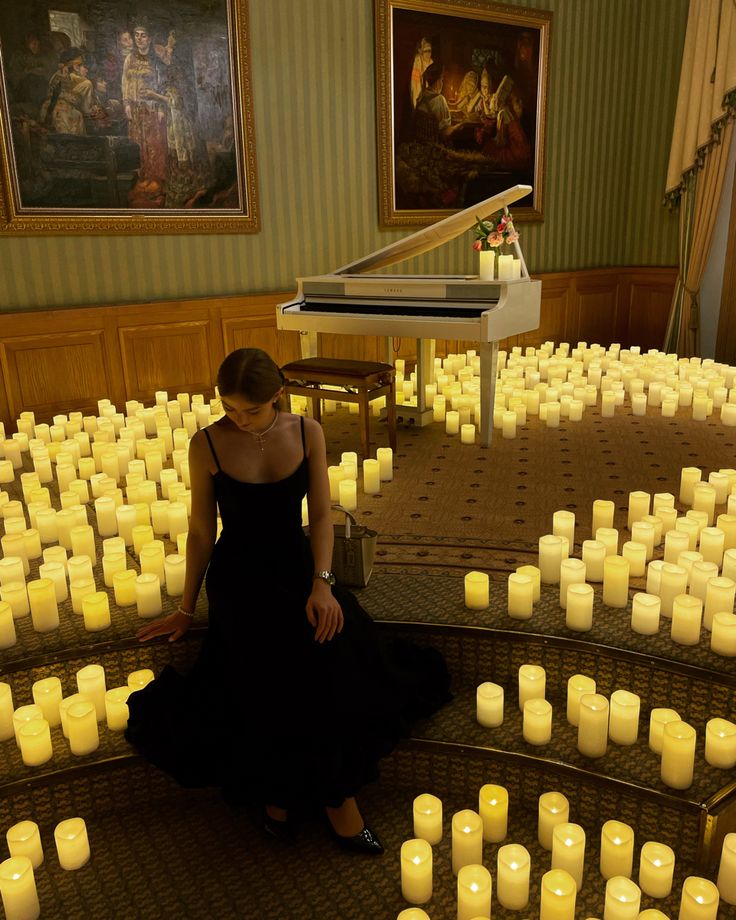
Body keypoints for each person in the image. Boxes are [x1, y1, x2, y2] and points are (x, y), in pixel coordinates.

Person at [125, 348, 452, 854]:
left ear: (276, 396)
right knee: (284, 659)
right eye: (229, 408)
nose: (238, 419)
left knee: (331, 644)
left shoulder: (306, 432)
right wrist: (187, 608)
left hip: (297, 567)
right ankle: (336, 802)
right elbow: (199, 532)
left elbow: (321, 516)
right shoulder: (206, 444)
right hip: (238, 579)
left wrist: (322, 584)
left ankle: (285, 799)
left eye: (249, 411)